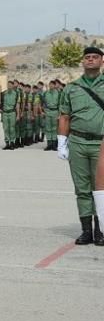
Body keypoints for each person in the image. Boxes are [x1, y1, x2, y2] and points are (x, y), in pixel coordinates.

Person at [57, 46, 104, 245]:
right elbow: (65, 116)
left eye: (95, 57)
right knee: (82, 188)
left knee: (100, 188)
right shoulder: (71, 88)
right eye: (87, 57)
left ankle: (100, 230)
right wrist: (61, 142)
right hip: (77, 142)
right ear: (82, 62)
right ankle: (86, 230)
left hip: (101, 144)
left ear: (102, 60)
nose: (91, 60)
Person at [0, 79, 20, 149]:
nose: (9, 86)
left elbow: (17, 105)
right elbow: (1, 105)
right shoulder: (3, 93)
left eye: (10, 85)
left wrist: (18, 115)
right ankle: (7, 143)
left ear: (13, 86)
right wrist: (1, 116)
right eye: (8, 85)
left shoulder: (16, 94)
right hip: (5, 113)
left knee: (12, 128)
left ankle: (12, 142)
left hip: (12, 113)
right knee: (5, 128)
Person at [42, 79, 61, 151]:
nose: (51, 86)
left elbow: (60, 104)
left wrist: (59, 114)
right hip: (48, 111)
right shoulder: (46, 93)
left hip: (55, 111)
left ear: (55, 85)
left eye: (52, 84)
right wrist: (43, 111)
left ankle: (54, 144)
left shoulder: (58, 93)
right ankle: (49, 144)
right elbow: (42, 103)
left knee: (54, 128)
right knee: (48, 128)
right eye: (50, 84)